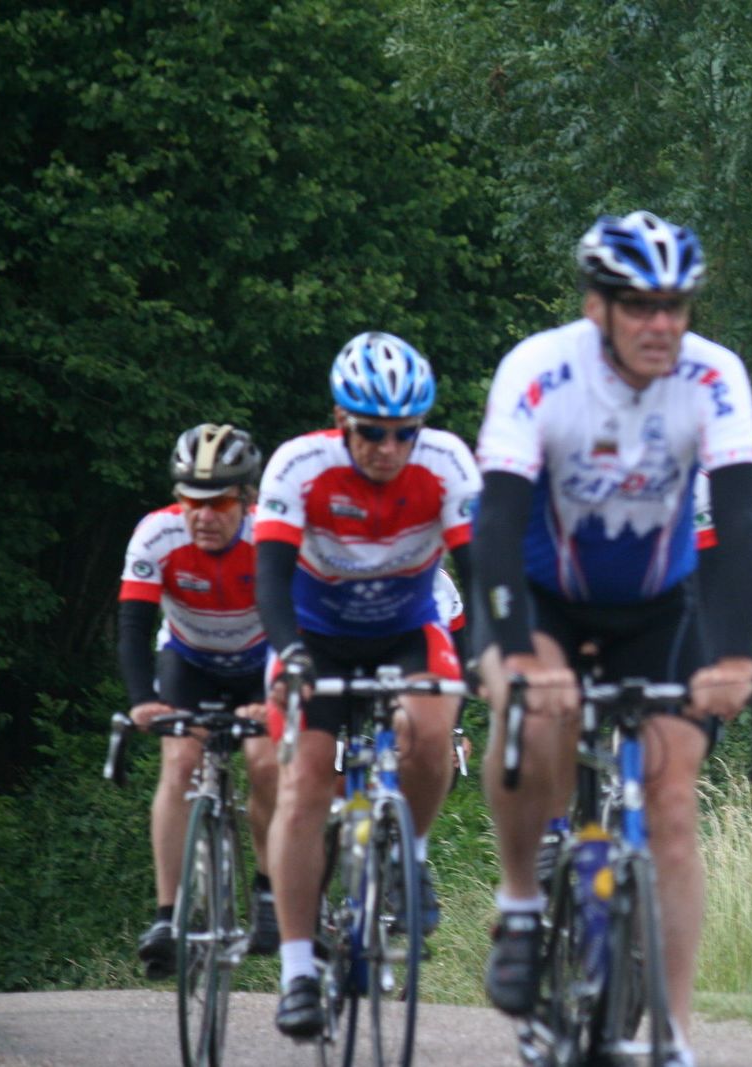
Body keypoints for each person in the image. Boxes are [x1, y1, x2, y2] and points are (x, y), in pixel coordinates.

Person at [473, 210, 752, 1067]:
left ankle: (671, 1035)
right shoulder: (539, 370)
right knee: (534, 717)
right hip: (545, 599)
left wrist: (733, 656)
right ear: (595, 306)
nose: (661, 324)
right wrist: (514, 650)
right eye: (640, 305)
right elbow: (496, 523)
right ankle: (521, 903)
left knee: (673, 804)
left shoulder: (714, 375)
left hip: (655, 607)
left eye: (675, 305)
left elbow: (740, 522)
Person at [255, 332, 481, 1040]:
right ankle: (298, 970)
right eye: (372, 431)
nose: (388, 447)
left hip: (404, 628)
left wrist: (486, 656)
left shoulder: (446, 462)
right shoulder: (300, 465)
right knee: (304, 784)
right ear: (339, 418)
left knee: (434, 727)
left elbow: (481, 576)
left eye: (404, 432)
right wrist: (290, 652)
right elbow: (269, 579)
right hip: (313, 634)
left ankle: (411, 855)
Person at [118, 424, 279, 979]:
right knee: (180, 762)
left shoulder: (271, 536)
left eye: (219, 502)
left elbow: (301, 621)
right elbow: (133, 626)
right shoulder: (156, 535)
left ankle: (267, 891)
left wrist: (280, 695)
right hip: (189, 659)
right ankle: (168, 917)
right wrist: (142, 700)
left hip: (261, 662)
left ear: (247, 499)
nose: (203, 515)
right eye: (191, 500)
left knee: (265, 762)